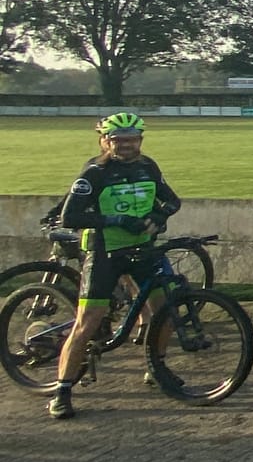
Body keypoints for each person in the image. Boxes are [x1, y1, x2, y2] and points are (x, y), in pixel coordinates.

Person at [48, 114, 182, 419]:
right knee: (88, 322)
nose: (125, 146)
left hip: (142, 249)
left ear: (140, 141)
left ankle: (157, 367)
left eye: (132, 139)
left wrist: (158, 219)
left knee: (167, 309)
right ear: (105, 141)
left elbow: (173, 201)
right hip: (105, 252)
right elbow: (71, 217)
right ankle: (62, 390)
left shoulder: (148, 167)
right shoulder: (94, 173)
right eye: (118, 140)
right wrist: (116, 220)